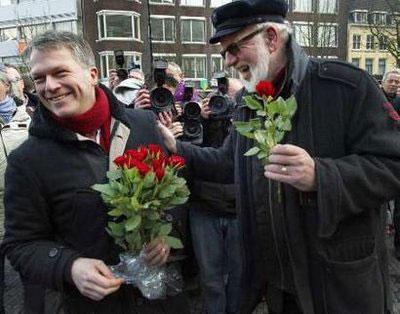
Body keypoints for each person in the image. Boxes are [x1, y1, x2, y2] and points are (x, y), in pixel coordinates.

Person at [157, 0, 400, 313]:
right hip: (280, 289)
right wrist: (176, 147)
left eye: (234, 47)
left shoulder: (345, 86)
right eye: (224, 52)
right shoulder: (247, 100)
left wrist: (321, 176)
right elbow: (231, 162)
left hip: (338, 286)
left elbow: (393, 164)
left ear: (271, 38)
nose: (229, 61)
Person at [1, 31, 189, 313]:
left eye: (60, 72)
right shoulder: (27, 161)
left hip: (159, 302)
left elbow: (172, 196)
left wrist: (165, 235)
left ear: (92, 74)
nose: (49, 86)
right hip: (91, 305)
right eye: (39, 78)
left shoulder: (142, 125)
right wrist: (69, 266)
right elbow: (20, 245)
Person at [187, 77, 244, 314]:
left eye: (231, 96)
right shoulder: (202, 120)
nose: (225, 101)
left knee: (239, 277)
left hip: (239, 210)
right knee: (211, 278)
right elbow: (189, 157)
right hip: (204, 209)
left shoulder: (249, 120)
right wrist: (200, 121)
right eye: (220, 96)